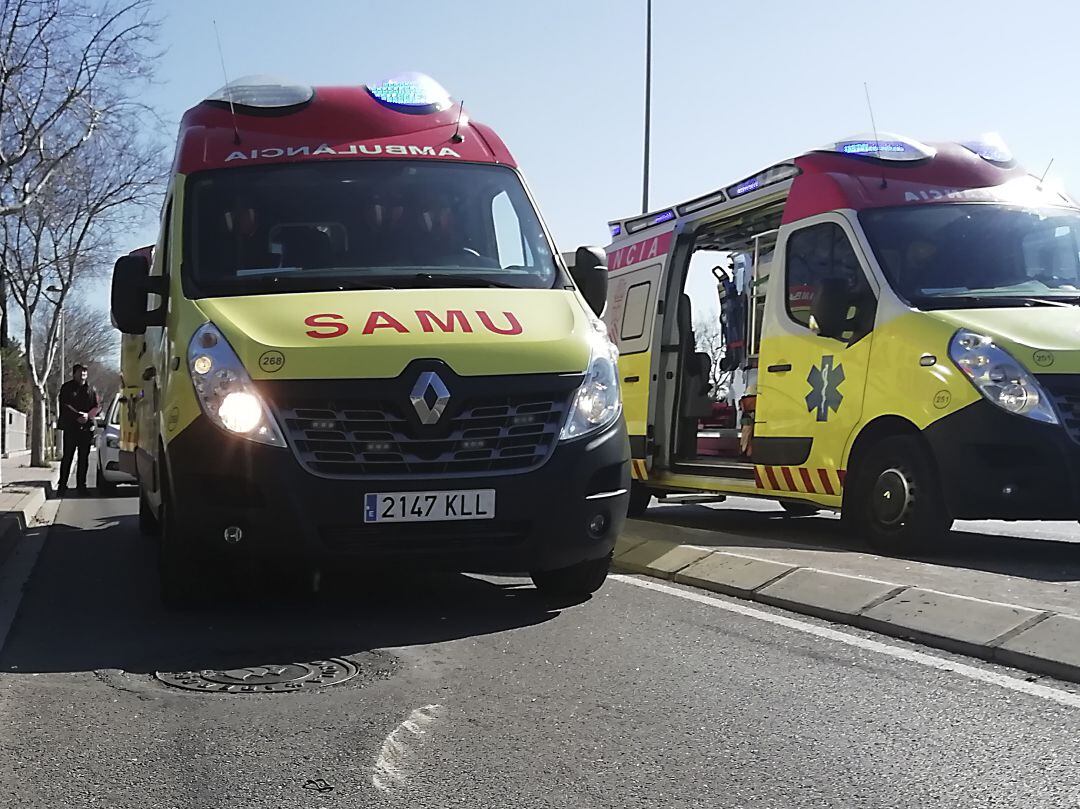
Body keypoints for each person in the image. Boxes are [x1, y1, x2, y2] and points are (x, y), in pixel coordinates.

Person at [57, 364, 101, 494]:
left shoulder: (91, 389)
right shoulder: (67, 388)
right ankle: (62, 485)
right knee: (67, 457)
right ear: (74, 373)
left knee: (84, 458)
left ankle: (81, 486)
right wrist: (77, 415)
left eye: (85, 372)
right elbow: (64, 405)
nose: (83, 374)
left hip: (86, 429)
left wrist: (88, 415)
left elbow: (96, 407)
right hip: (71, 427)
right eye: (81, 371)